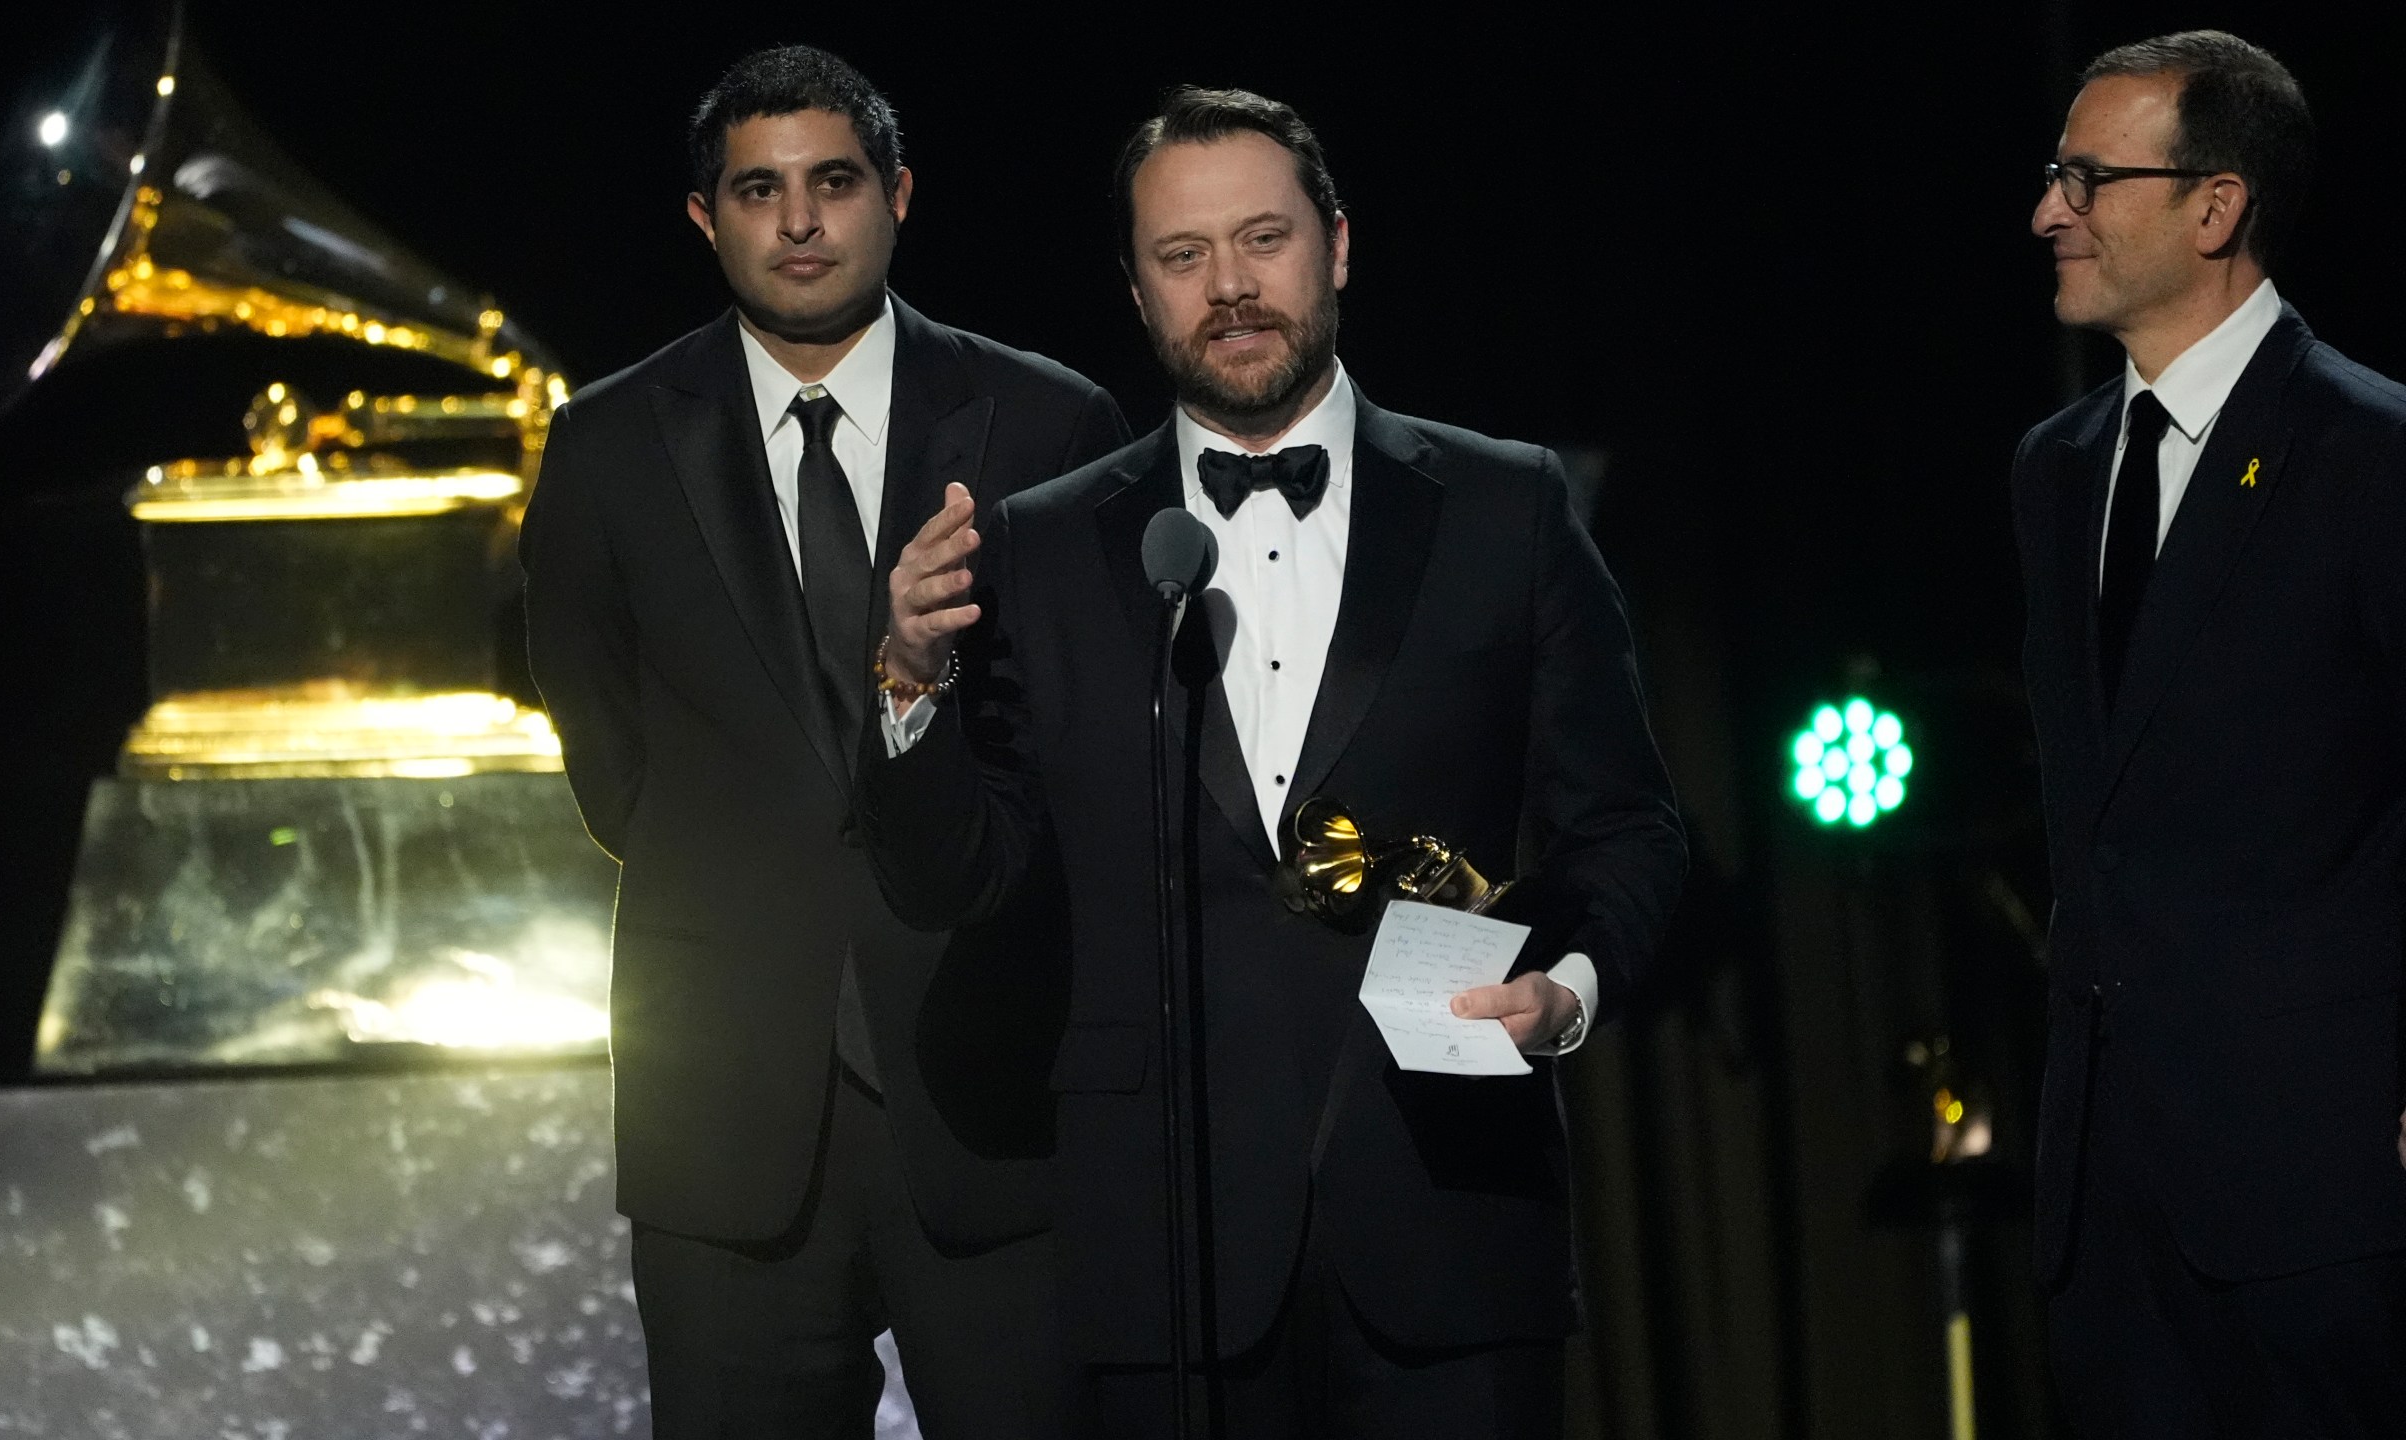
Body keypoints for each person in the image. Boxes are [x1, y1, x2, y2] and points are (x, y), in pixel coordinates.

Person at [859, 87, 1684, 1437]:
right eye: (1183, 258)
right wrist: (912, 678)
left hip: (1450, 1222)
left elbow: (1630, 830)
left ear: (1339, 245)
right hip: (1161, 1251)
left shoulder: (1506, 508)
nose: (1231, 287)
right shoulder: (1046, 546)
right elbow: (953, 874)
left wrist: (1568, 994)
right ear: (1135, 290)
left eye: (1264, 240)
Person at [519, 45, 1129, 1438]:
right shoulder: (605, 445)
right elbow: (608, 765)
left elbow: (1085, 753)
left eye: (833, 182)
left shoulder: (1050, 423)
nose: (797, 220)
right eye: (758, 190)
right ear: (706, 218)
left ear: (897, 194)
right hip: (724, 1110)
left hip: (995, 1092)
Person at [2016, 30, 2406, 1438]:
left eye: (2086, 176)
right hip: (2104, 1215)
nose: (2047, 210)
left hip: (2318, 1200)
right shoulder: (2052, 475)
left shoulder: (2368, 451)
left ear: (2215, 205)